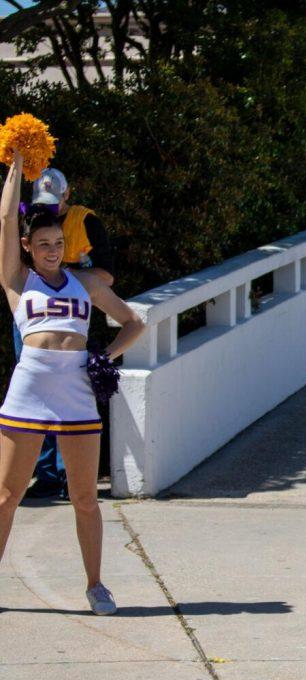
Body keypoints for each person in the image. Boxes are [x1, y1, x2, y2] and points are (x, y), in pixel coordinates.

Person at [0, 151, 144, 614]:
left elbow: (133, 322)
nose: (52, 250)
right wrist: (16, 166)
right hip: (28, 392)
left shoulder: (85, 283)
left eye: (58, 243)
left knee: (84, 498)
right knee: (7, 495)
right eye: (42, 244)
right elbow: (5, 215)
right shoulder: (17, 282)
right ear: (27, 246)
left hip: (77, 395)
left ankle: (96, 585)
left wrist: (103, 357)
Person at [19, 167, 115, 499]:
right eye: (43, 204)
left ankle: (67, 476)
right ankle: (45, 474)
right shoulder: (30, 221)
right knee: (36, 398)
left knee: (71, 402)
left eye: (54, 202)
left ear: (67, 194)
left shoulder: (86, 221)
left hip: (76, 320)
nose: (50, 210)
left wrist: (68, 276)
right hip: (35, 321)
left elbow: (107, 275)